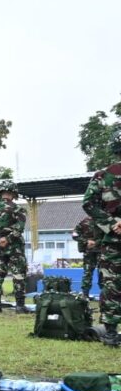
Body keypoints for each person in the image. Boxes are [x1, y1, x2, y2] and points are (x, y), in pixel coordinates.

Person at [83, 128, 121, 348]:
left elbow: (89, 204)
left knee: (112, 285)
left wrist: (112, 223)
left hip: (112, 240)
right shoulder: (102, 175)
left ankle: (111, 333)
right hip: (113, 240)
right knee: (112, 285)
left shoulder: (102, 176)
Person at [0, 179, 29, 313]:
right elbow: (19, 228)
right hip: (15, 248)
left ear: (1, 192)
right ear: (14, 193)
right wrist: (8, 239)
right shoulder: (19, 209)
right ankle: (20, 306)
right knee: (18, 274)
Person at [72, 216, 100, 299]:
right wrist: (87, 241)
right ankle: (85, 294)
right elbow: (74, 235)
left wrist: (90, 242)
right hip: (91, 252)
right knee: (88, 272)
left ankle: (105, 295)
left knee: (102, 272)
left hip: (100, 251)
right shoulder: (85, 221)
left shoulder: (103, 220)